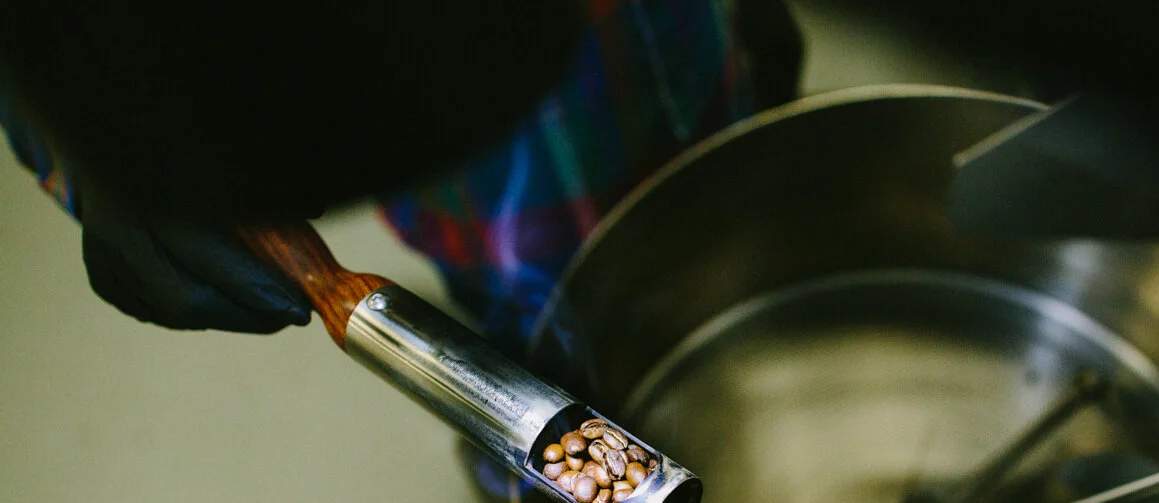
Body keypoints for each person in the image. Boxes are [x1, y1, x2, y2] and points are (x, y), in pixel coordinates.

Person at [1, 0, 802, 359]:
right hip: (463, 189)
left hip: (648, 42)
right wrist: (76, 144)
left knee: (724, 208)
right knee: (514, 286)